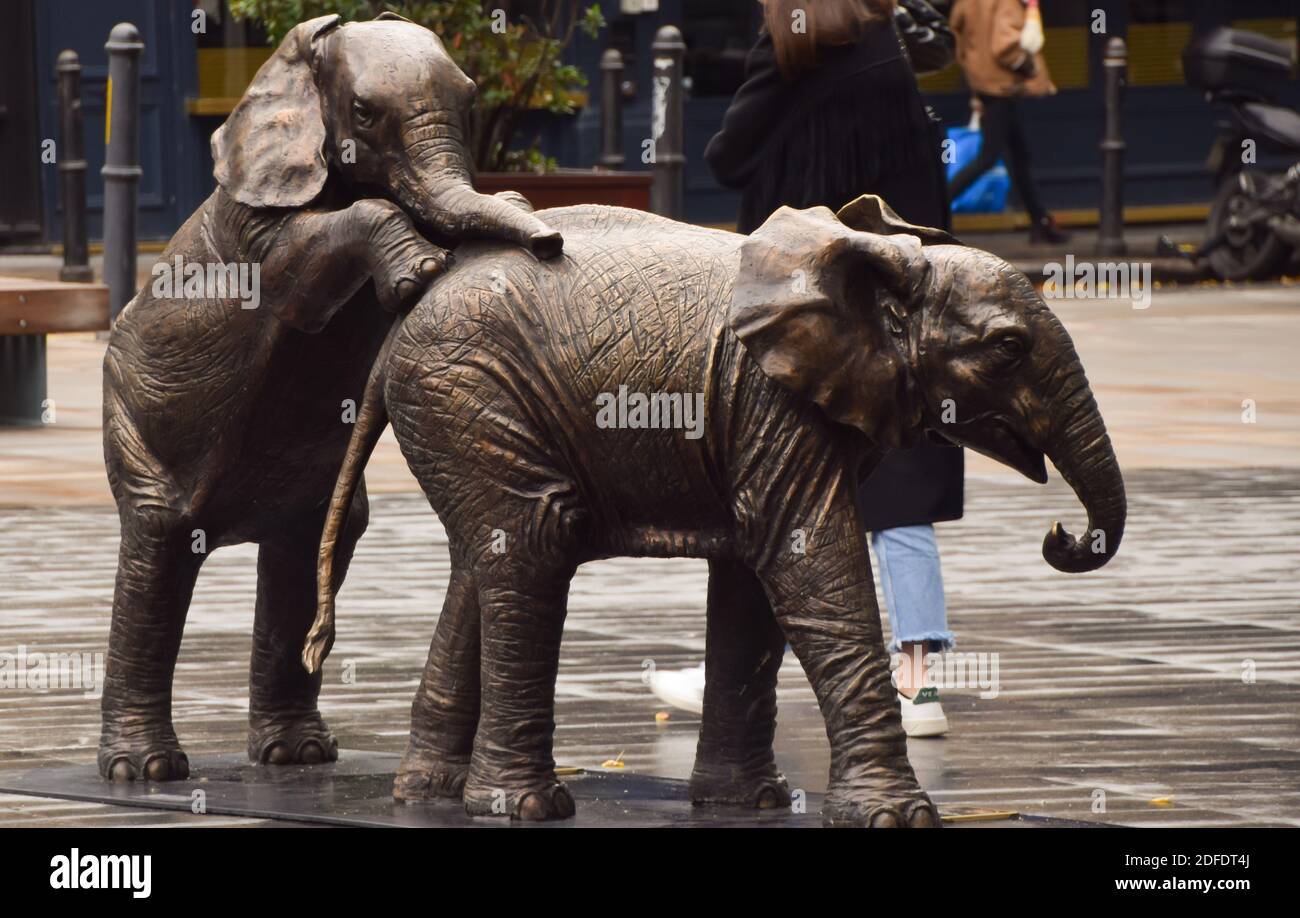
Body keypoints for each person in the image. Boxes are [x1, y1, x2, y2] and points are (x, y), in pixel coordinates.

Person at [645, 0, 963, 738]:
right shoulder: (888, 51)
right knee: (901, 494)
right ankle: (918, 687)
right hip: (895, 294)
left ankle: (734, 676)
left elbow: (726, 158)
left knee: (777, 489)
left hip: (803, 305)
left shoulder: (788, 54)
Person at [948, 0, 1069, 244]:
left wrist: (973, 70)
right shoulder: (1005, 2)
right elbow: (1005, 46)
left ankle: (1039, 221)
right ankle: (935, 205)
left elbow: (956, 33)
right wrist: (1029, 68)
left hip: (987, 83)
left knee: (1019, 155)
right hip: (1000, 86)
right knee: (989, 156)